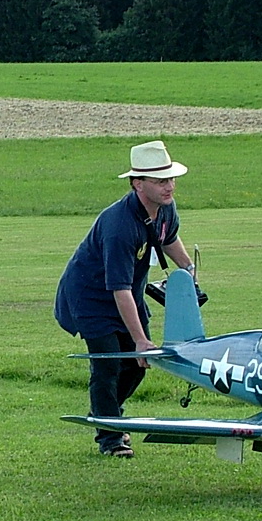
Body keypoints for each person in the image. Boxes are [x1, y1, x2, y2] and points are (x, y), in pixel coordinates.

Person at [55, 141, 195, 457]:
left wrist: (187, 267)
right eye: (161, 181)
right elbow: (117, 289)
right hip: (91, 297)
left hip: (128, 293)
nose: (169, 186)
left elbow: (168, 239)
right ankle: (111, 438)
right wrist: (141, 339)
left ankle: (110, 416)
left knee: (137, 366)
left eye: (170, 179)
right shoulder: (119, 225)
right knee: (109, 364)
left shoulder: (165, 209)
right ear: (137, 184)